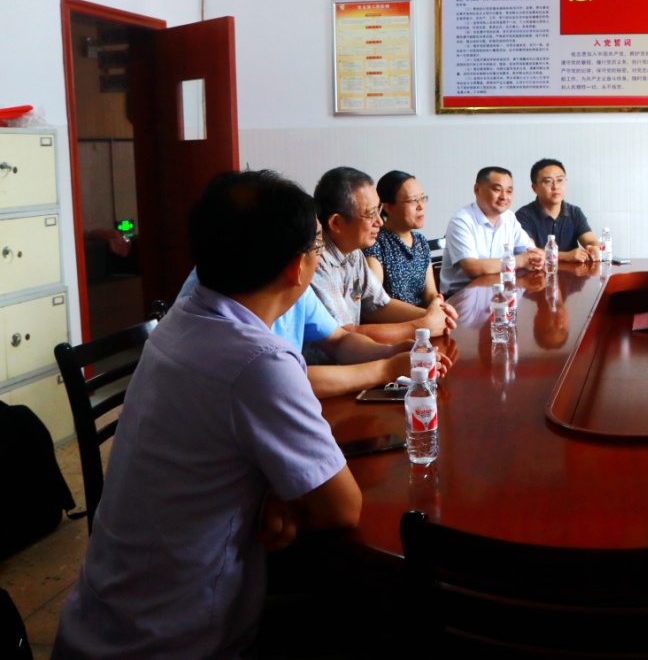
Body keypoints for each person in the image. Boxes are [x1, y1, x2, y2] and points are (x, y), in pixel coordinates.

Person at [53, 171, 361, 659]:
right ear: (296, 267)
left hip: (100, 623)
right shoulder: (259, 360)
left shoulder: (183, 319)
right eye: (318, 245)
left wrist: (274, 491)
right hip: (174, 641)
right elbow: (343, 509)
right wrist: (287, 493)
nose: (319, 255)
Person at [174, 261, 434, 398]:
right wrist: (385, 369)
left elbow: (339, 340)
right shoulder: (220, 293)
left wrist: (389, 352)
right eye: (317, 245)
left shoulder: (292, 284)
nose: (318, 259)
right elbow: (282, 379)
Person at [309, 167, 454, 363]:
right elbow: (343, 336)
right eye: (370, 214)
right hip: (326, 370)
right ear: (336, 223)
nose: (379, 221)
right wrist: (422, 325)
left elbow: (379, 305)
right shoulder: (314, 262)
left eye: (378, 210)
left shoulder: (353, 252)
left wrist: (435, 315)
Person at [440, 166, 544, 294]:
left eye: (509, 191)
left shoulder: (509, 217)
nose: (504, 196)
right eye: (497, 190)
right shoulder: (461, 221)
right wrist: (520, 261)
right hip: (461, 296)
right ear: (477, 189)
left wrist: (537, 257)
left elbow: (529, 250)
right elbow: (472, 268)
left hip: (499, 290)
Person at [366, 170, 443, 306]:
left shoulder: (420, 242)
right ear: (388, 208)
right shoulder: (375, 243)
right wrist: (427, 315)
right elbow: (375, 303)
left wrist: (439, 307)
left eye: (422, 198)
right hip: (395, 318)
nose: (421, 206)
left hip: (424, 316)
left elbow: (430, 294)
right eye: (413, 201)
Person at [515, 158, 600, 263]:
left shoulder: (575, 212)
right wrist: (565, 256)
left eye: (560, 180)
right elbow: (530, 252)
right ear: (534, 188)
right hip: (539, 272)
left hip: (573, 273)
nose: (555, 186)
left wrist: (594, 249)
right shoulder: (523, 216)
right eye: (548, 181)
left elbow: (590, 241)